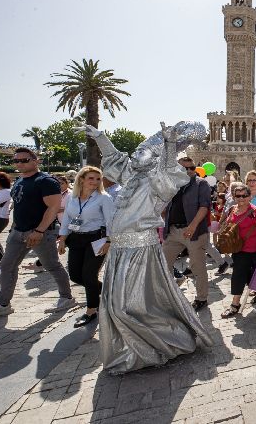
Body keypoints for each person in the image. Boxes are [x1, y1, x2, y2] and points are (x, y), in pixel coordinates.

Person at [70, 122, 212, 374]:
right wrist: (101, 137)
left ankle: (154, 344)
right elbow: (115, 158)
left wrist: (169, 144)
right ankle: (130, 347)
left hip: (140, 250)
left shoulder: (161, 178)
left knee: (127, 306)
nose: (135, 154)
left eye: (142, 151)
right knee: (117, 302)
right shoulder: (133, 175)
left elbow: (168, 171)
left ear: (154, 157)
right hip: (120, 250)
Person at [0, 148, 76, 319]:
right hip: (18, 232)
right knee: (6, 265)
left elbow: (53, 207)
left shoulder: (46, 181)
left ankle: (66, 297)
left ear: (36, 161)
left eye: (24, 160)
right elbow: (19, 207)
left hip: (40, 233)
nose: (20, 163)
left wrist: (39, 230)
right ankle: (3, 304)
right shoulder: (19, 181)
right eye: (16, 161)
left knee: (52, 265)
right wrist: (14, 228)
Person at [57, 166, 115, 328]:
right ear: (81, 179)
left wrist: (109, 241)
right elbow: (67, 219)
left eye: (98, 179)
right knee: (75, 275)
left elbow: (111, 221)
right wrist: (62, 238)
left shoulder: (104, 198)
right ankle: (107, 293)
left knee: (89, 275)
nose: (95, 182)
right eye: (91, 178)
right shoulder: (72, 198)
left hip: (97, 239)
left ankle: (91, 310)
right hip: (76, 239)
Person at [162, 157, 212, 311]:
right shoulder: (172, 184)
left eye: (192, 168)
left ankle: (201, 298)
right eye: (186, 168)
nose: (190, 171)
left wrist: (192, 226)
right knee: (163, 263)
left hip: (194, 231)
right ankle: (169, 295)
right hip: (174, 231)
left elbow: (204, 207)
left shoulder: (200, 183)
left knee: (197, 267)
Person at [220, 183, 256, 318]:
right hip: (237, 249)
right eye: (238, 196)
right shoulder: (232, 209)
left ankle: (235, 304)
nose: (241, 198)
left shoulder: (255, 212)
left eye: (244, 196)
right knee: (245, 274)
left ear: (249, 197)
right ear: (234, 197)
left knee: (240, 275)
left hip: (252, 249)